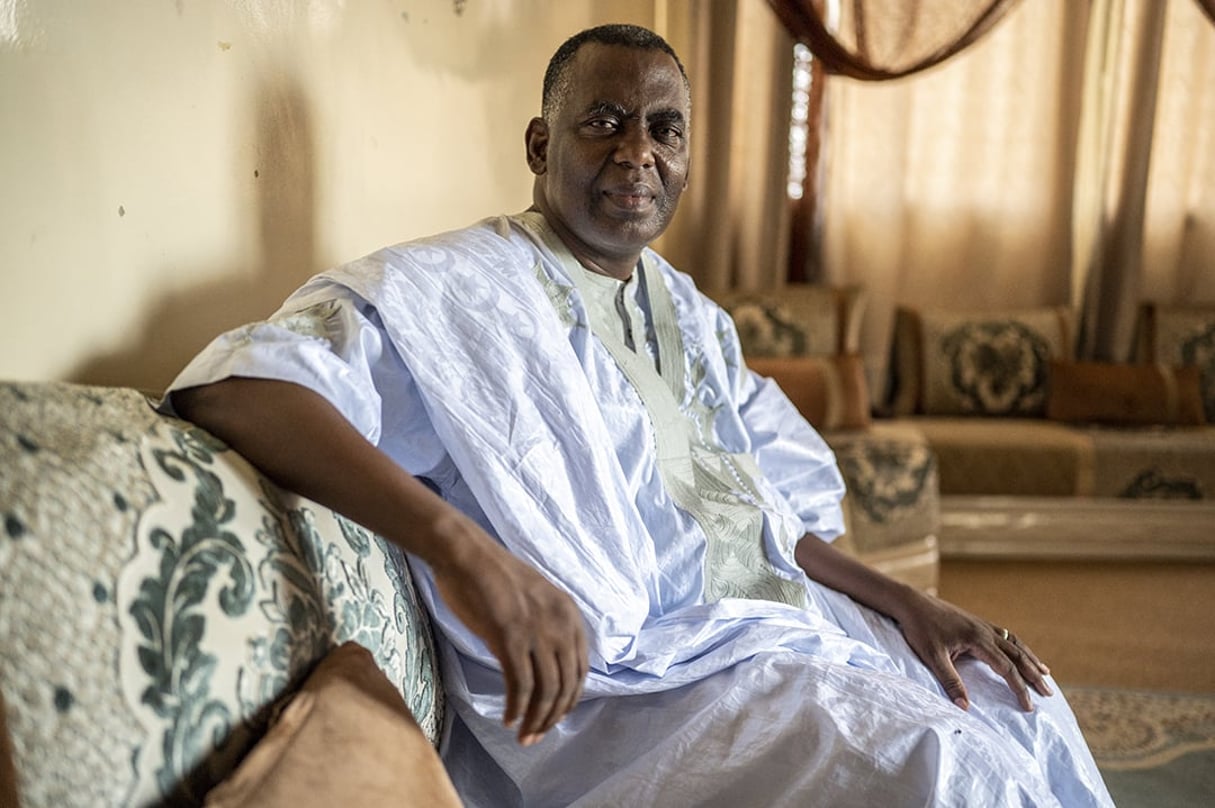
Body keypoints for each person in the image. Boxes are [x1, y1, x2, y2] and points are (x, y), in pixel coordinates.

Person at [166, 23, 1113, 807]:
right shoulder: (454, 290)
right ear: (541, 145)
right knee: (951, 774)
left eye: (664, 129)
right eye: (604, 122)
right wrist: (467, 551)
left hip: (767, 622)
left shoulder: (690, 315)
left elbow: (756, 513)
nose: (637, 153)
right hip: (631, 681)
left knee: (1013, 703)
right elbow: (241, 389)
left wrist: (909, 602)